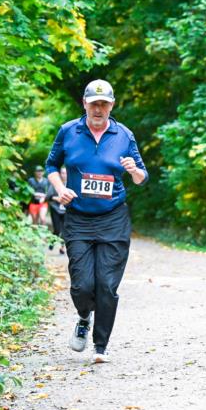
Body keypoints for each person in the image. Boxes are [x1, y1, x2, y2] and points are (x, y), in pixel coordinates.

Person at [44, 79, 148, 359]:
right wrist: (61, 188)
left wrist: (133, 169)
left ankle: (100, 346)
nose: (99, 109)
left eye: (104, 104)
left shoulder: (124, 135)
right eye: (94, 104)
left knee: (107, 284)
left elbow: (141, 177)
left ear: (112, 105)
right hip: (78, 217)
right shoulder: (69, 131)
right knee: (82, 284)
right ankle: (83, 318)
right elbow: (51, 165)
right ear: (85, 104)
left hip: (113, 218)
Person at [45, 166, 67, 255]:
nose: (64, 175)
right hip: (55, 209)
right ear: (60, 174)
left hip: (66, 210)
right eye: (62, 173)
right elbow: (48, 196)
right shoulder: (56, 184)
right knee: (57, 229)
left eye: (66, 173)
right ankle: (52, 242)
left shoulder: (71, 184)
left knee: (65, 229)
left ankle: (62, 247)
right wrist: (57, 198)